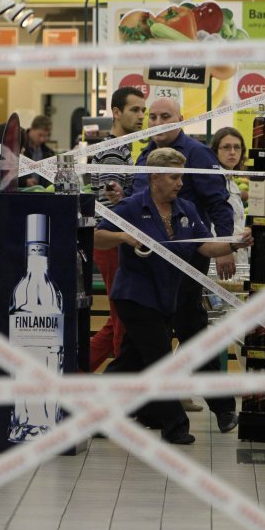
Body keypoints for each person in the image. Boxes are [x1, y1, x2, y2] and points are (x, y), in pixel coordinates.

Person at [95, 147, 253, 444]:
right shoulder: (131, 207)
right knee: (159, 358)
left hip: (168, 296)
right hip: (136, 297)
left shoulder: (186, 210)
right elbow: (97, 237)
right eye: (173, 176)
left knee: (129, 361)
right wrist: (124, 237)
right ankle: (175, 426)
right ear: (155, 177)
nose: (179, 182)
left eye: (181, 176)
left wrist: (233, 244)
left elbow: (205, 247)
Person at [130, 98, 238, 432]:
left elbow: (218, 203)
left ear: (180, 118)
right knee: (145, 338)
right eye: (153, 116)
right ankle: (149, 411)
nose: (158, 121)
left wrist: (224, 247)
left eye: (166, 116)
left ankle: (223, 408)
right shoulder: (144, 156)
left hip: (187, 260)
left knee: (191, 331)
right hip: (148, 264)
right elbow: (136, 204)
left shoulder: (198, 154)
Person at [88, 86, 147, 372]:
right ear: (116, 112)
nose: (141, 116)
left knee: (116, 320)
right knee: (122, 319)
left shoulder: (119, 149)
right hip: (113, 241)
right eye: (134, 110)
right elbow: (113, 198)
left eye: (143, 111)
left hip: (115, 240)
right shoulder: (112, 151)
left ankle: (71, 369)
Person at [211, 127, 249, 265]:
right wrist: (223, 250)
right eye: (226, 147)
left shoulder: (231, 180)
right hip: (220, 253)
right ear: (215, 151)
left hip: (236, 250)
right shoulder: (213, 180)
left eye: (237, 147)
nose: (232, 152)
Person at [21, 115, 55, 188]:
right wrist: (23, 182)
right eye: (40, 135)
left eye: (46, 136)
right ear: (32, 129)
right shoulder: (18, 146)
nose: (42, 139)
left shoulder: (48, 153)